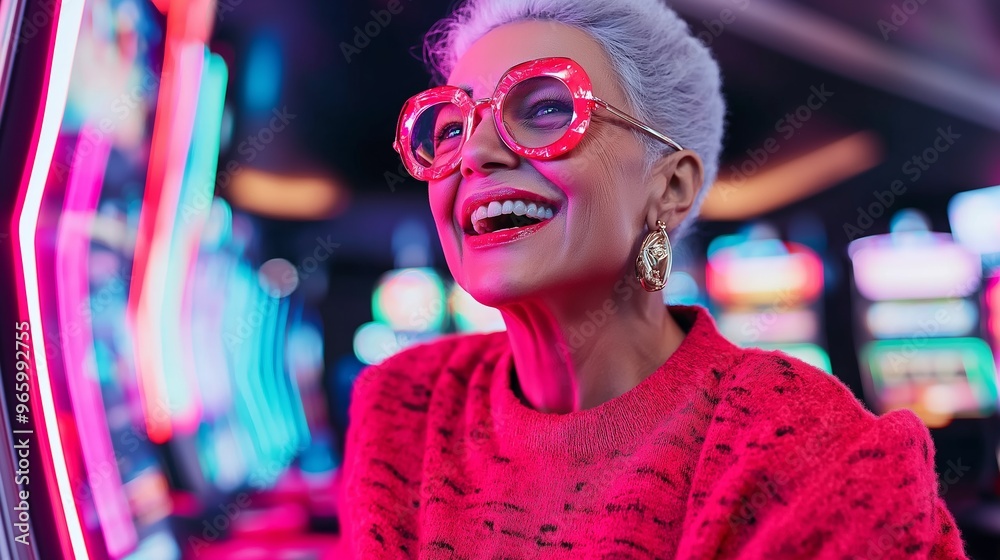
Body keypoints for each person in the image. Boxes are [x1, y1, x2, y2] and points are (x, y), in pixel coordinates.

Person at [336, 0, 970, 557]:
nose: (475, 152)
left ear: (670, 186)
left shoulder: (816, 455)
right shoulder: (402, 408)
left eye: (547, 109)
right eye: (451, 127)